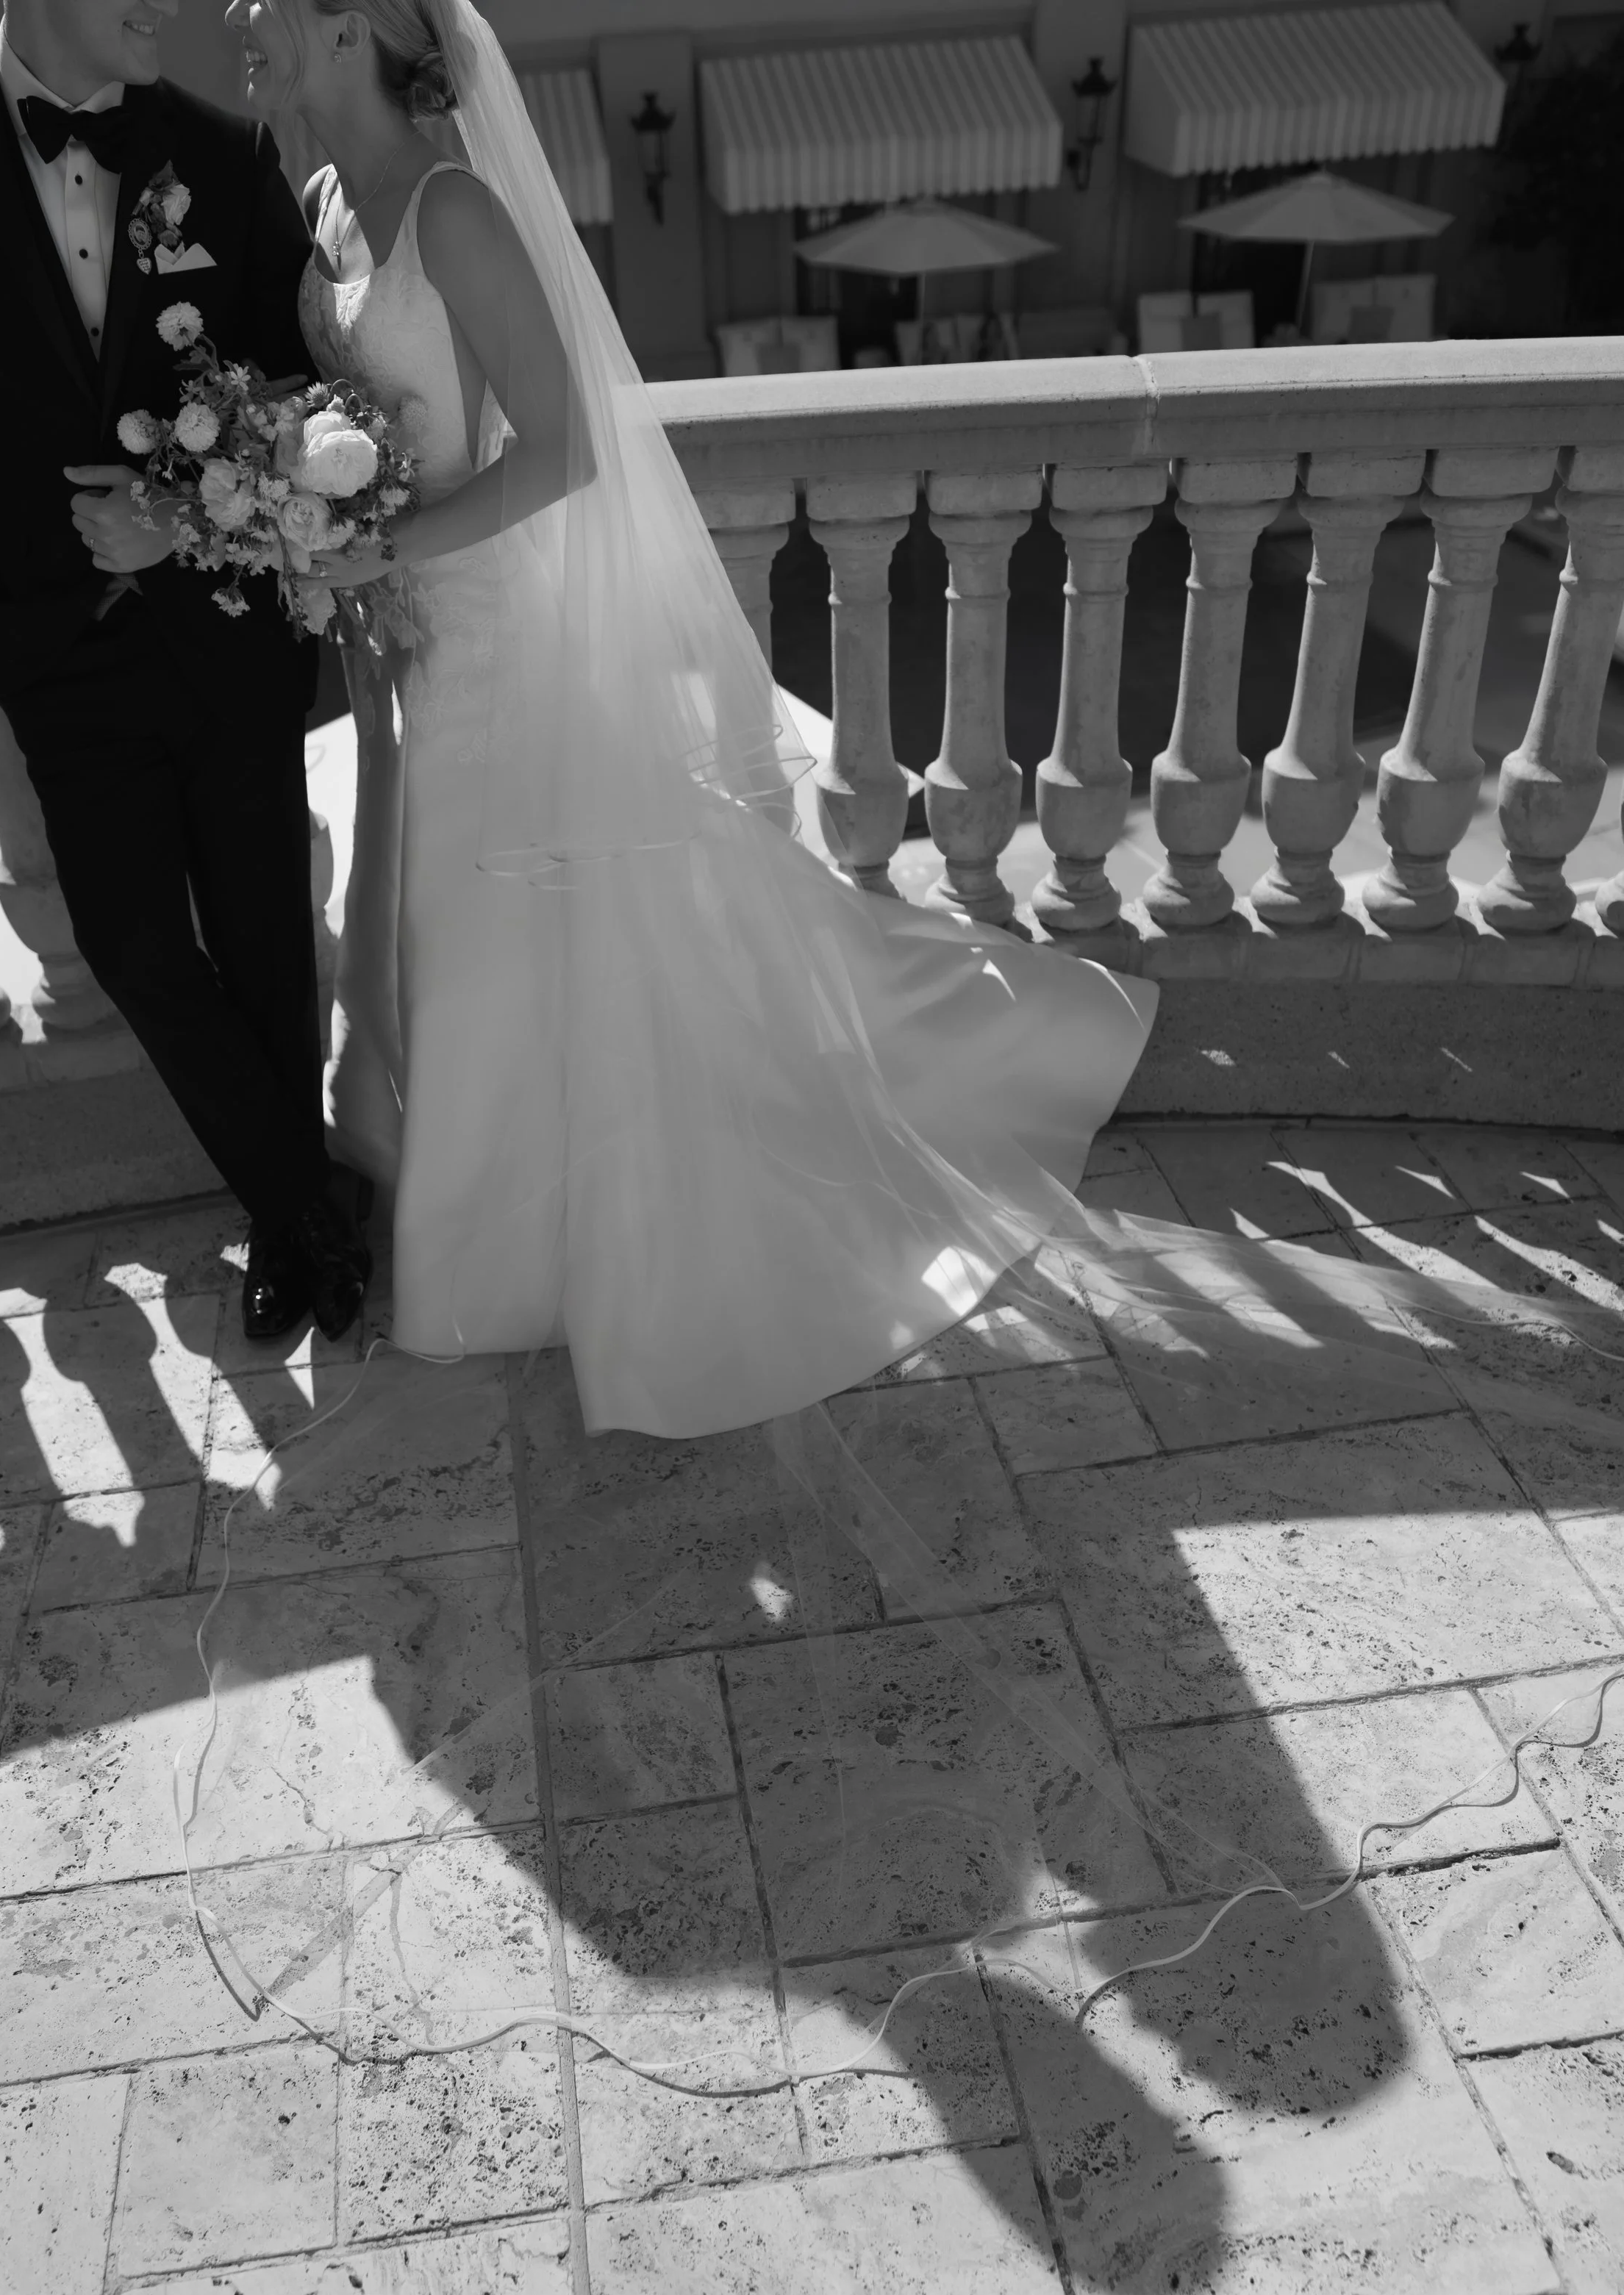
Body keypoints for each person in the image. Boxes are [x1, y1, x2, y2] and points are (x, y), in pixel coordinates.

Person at [229, 0, 1157, 1439]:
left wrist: (376, 546)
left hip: (505, 632)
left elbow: (563, 453)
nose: (237, 16)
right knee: (466, 936)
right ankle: (504, 1253)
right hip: (408, 635)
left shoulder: (454, 210)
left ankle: (565, 1253)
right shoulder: (323, 201)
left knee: (522, 932)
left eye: (264, 1)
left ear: (347, 27)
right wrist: (313, 512)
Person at [0, 0, 370, 1344]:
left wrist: (185, 513)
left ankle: (285, 1219)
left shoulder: (224, 146)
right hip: (57, 652)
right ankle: (309, 1198)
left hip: (233, 629)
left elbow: (294, 386)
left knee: (263, 938)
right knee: (133, 945)